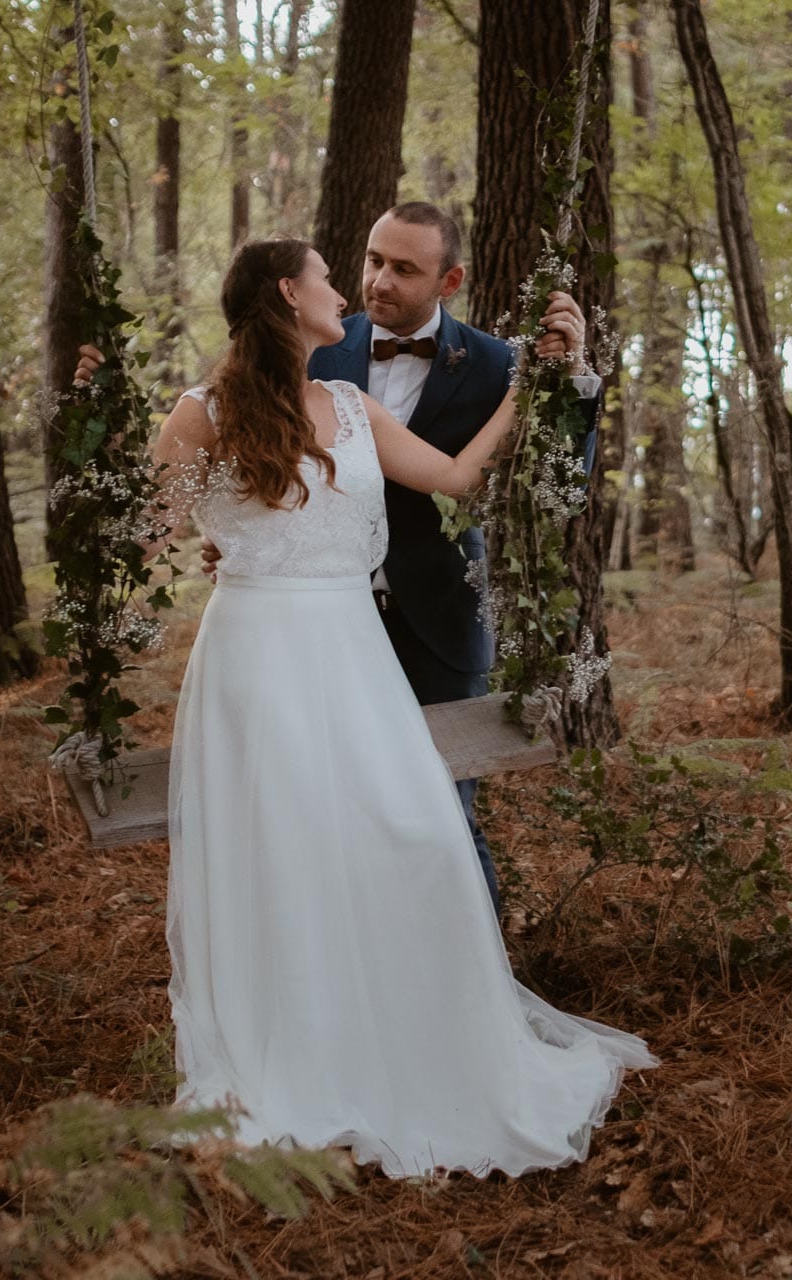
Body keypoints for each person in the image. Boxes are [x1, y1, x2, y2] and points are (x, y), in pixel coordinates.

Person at [93, 237, 653, 1178]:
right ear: (288, 293)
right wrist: (106, 428)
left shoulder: (349, 405)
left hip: (353, 655)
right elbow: (140, 542)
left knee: (409, 834)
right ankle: (297, 1052)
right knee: (282, 851)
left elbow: (458, 478)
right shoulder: (202, 413)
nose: (343, 289)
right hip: (254, 660)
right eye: (324, 274)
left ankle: (405, 1032)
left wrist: (532, 385)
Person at [199, 202, 601, 912]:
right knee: (318, 820)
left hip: (438, 624)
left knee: (442, 818)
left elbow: (553, 482)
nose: (378, 281)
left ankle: (466, 984)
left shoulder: (500, 365)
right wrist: (239, 531)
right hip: (305, 639)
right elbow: (252, 453)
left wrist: (569, 380)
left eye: (404, 269)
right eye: (373, 261)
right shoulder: (314, 344)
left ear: (450, 281)